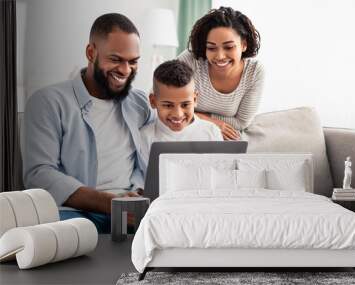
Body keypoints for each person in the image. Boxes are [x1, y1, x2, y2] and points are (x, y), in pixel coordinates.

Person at [23, 13, 155, 233]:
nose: (125, 70)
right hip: (73, 213)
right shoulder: (48, 101)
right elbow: (39, 174)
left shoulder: (138, 102)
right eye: (115, 59)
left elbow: (171, 126)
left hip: (133, 212)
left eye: (133, 61)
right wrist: (111, 205)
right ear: (91, 52)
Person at [178, 6, 265, 140]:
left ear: (244, 44)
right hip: (187, 132)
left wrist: (194, 114)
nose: (220, 56)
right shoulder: (191, 60)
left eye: (229, 47)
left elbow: (241, 122)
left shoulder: (254, 72)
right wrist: (215, 123)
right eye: (211, 48)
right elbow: (160, 98)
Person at [139, 59, 223, 165]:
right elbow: (146, 178)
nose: (177, 114)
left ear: (195, 100)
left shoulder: (211, 132)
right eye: (168, 105)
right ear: (153, 101)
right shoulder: (145, 137)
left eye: (185, 105)